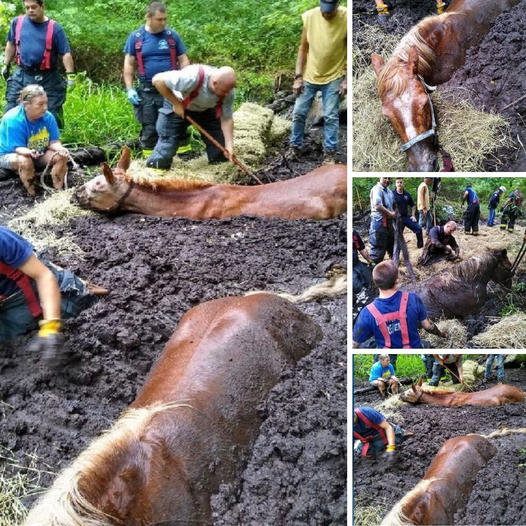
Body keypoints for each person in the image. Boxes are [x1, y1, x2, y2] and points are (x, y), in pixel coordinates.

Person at [0, 226, 107, 365]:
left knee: (74, 309)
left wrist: (51, 325)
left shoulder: (3, 240)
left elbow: (43, 276)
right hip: (7, 302)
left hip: (33, 287)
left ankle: (80, 288)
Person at [123, 2, 190, 157]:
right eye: (159, 19)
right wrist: (130, 88)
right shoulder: (136, 38)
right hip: (148, 90)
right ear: (148, 17)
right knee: (150, 126)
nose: (163, 23)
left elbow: (184, 59)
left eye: (165, 19)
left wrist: (186, 82)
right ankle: (150, 160)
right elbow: (129, 63)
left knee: (177, 121)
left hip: (172, 88)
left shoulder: (172, 36)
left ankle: (185, 158)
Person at [287, 0, 347, 164]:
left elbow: (349, 50)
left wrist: (346, 80)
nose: (326, 14)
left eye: (330, 11)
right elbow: (303, 48)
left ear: (337, 4)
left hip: (334, 75)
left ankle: (330, 153)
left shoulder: (346, 18)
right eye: (324, 10)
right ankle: (295, 146)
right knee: (299, 112)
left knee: (330, 116)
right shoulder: (310, 17)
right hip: (310, 75)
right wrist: (298, 76)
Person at [145, 64, 236, 169]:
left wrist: (229, 145)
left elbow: (227, 119)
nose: (227, 94)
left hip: (205, 110)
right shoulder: (191, 77)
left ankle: (218, 171)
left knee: (220, 146)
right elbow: (157, 80)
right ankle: (156, 172)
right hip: (178, 106)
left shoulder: (228, 90)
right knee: (167, 144)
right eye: (224, 91)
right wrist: (176, 103)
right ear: (214, 83)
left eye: (228, 91)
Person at [2, 0, 74, 129]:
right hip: (22, 74)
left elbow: (66, 53)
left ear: (42, 6)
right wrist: (5, 64)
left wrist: (70, 75)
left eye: (34, 7)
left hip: (48, 77)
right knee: (11, 107)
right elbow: (11, 44)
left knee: (52, 111)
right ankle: (8, 140)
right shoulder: (17, 23)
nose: (30, 10)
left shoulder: (55, 28)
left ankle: (57, 141)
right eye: (27, 7)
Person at [352, 260, 448, 349]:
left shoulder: (366, 314)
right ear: (397, 281)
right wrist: (441, 334)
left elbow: (354, 344)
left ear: (375, 282)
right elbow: (428, 326)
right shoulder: (413, 299)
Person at [0, 84, 70, 195]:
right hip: (10, 154)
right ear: (27, 105)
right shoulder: (13, 119)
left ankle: (59, 191)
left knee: (61, 156)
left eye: (46, 103)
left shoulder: (48, 117)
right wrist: (30, 152)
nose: (45, 107)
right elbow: (17, 148)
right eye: (40, 104)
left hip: (38, 153)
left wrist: (61, 149)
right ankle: (32, 194)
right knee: (25, 160)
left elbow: (54, 142)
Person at [369, 177, 395, 264]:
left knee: (392, 245)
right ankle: (373, 271)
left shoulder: (389, 191)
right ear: (379, 177)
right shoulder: (377, 189)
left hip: (389, 223)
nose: (387, 180)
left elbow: (393, 204)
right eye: (385, 178)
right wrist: (390, 213)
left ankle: (393, 267)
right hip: (379, 223)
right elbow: (377, 206)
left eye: (389, 178)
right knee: (378, 250)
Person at [392, 177, 423, 248]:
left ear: (403, 183)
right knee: (397, 236)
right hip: (396, 218)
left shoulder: (407, 194)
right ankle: (396, 253)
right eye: (398, 182)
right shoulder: (392, 194)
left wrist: (413, 215)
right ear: (395, 184)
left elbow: (413, 205)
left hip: (406, 217)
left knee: (418, 229)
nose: (399, 184)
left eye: (401, 182)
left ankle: (420, 247)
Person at [353, 229, 374, 294]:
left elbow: (362, 249)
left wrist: (372, 263)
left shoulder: (353, 233)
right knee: (356, 286)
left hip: (357, 263)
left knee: (369, 280)